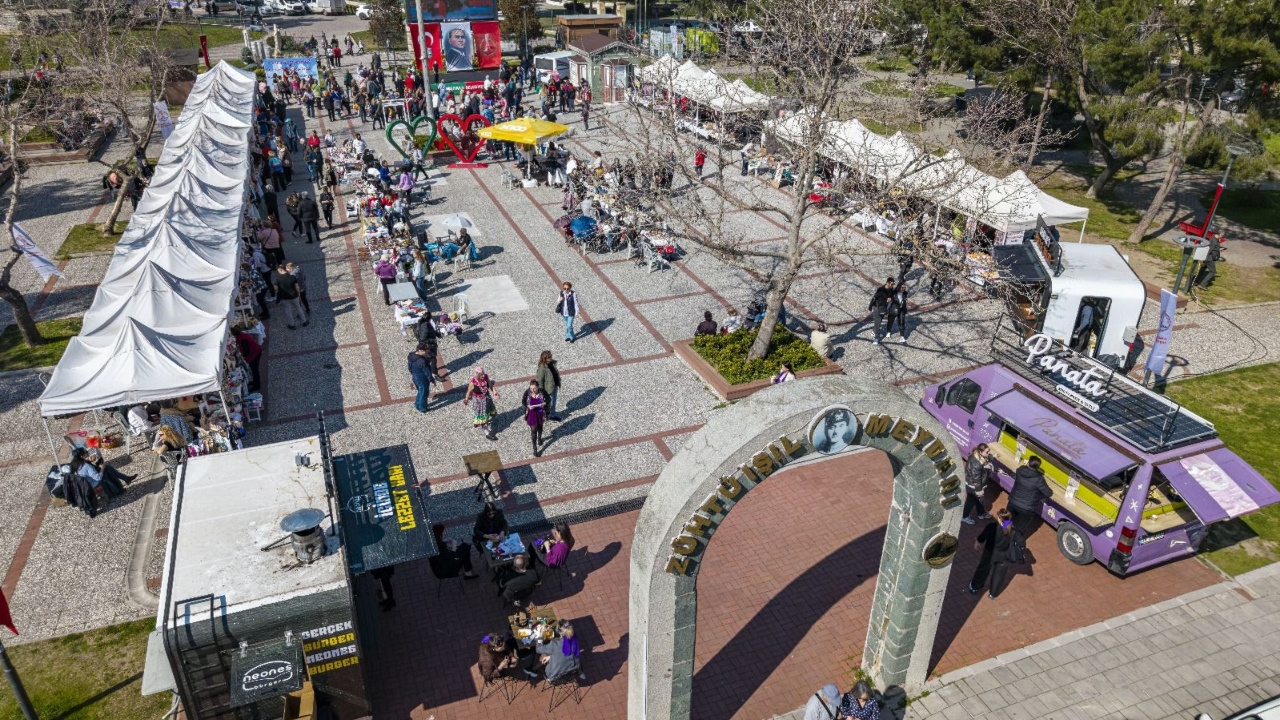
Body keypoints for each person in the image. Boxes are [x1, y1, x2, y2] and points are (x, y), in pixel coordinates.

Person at [969, 508, 1023, 599]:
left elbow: (982, 537)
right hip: (1005, 556)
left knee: (983, 570)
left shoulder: (992, 527)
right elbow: (1021, 542)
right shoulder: (1014, 531)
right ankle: (993, 594)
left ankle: (974, 587)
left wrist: (978, 541)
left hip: (990, 554)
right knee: (999, 574)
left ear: (999, 518)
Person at [1008, 456, 1053, 535]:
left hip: (1013, 502)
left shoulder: (1020, 470)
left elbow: (1022, 469)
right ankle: (1015, 539)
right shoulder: (1039, 479)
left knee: (1007, 520)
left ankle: (1002, 534)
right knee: (1020, 528)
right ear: (1037, 467)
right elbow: (1048, 493)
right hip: (1027, 508)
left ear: (1028, 463)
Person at [464, 366, 500, 440]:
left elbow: (490, 386)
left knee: (488, 411)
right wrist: (466, 400)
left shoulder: (486, 378)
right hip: (478, 401)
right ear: (477, 375)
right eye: (481, 374)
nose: (483, 375)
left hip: (486, 399)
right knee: (482, 417)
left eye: (483, 373)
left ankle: (487, 420)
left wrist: (495, 392)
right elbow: (468, 392)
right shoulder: (473, 383)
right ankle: (487, 433)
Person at [962, 444, 994, 525]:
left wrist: (993, 457)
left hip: (974, 485)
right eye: (987, 452)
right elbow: (977, 479)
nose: (989, 453)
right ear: (980, 452)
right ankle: (965, 517)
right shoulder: (977, 464)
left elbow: (987, 458)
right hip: (973, 487)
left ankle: (981, 513)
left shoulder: (978, 456)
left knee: (979, 500)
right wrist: (979, 490)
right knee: (971, 501)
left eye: (989, 451)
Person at [273, 265, 307, 329]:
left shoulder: (277, 279)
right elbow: (297, 286)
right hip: (294, 296)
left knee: (288, 311)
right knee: (298, 308)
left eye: (278, 271)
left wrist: (277, 291)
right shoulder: (292, 277)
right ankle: (304, 321)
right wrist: (298, 293)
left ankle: (292, 325)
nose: (278, 272)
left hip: (284, 298)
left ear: (281, 270)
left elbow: (275, 288)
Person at [522, 380, 549, 454]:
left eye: (534, 388)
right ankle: (535, 448)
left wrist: (544, 403)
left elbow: (548, 399)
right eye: (531, 388)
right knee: (533, 430)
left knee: (540, 427)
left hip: (540, 413)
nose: (532, 390)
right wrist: (527, 406)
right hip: (531, 414)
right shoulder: (527, 392)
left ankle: (539, 438)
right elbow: (523, 401)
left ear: (537, 387)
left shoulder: (542, 392)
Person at [536, 351, 562, 422]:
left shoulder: (552, 363)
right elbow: (539, 381)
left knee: (553, 402)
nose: (551, 358)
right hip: (548, 389)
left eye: (551, 356)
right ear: (545, 359)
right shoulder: (542, 368)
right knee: (550, 403)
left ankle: (551, 415)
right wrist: (541, 391)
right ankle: (545, 415)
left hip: (554, 386)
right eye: (549, 357)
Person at [868, 277, 895, 345]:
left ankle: (874, 332)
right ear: (887, 283)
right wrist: (870, 308)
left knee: (878, 322)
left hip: (884, 308)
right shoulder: (881, 290)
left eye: (893, 284)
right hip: (877, 308)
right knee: (878, 323)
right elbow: (873, 299)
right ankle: (876, 338)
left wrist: (890, 298)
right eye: (891, 284)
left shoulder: (891, 289)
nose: (892, 285)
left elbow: (891, 295)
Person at [408, 343, 435, 413]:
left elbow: (409, 367)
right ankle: (423, 408)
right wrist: (431, 379)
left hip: (415, 377)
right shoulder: (422, 362)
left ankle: (417, 404)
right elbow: (427, 372)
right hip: (422, 379)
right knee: (424, 393)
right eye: (425, 351)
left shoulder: (411, 355)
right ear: (420, 350)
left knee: (420, 391)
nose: (426, 352)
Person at [236, 327, 263, 392]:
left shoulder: (242, 339)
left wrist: (243, 356)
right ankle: (255, 381)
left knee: (255, 370)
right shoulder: (242, 335)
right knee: (254, 370)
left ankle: (257, 386)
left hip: (254, 354)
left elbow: (247, 350)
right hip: (255, 352)